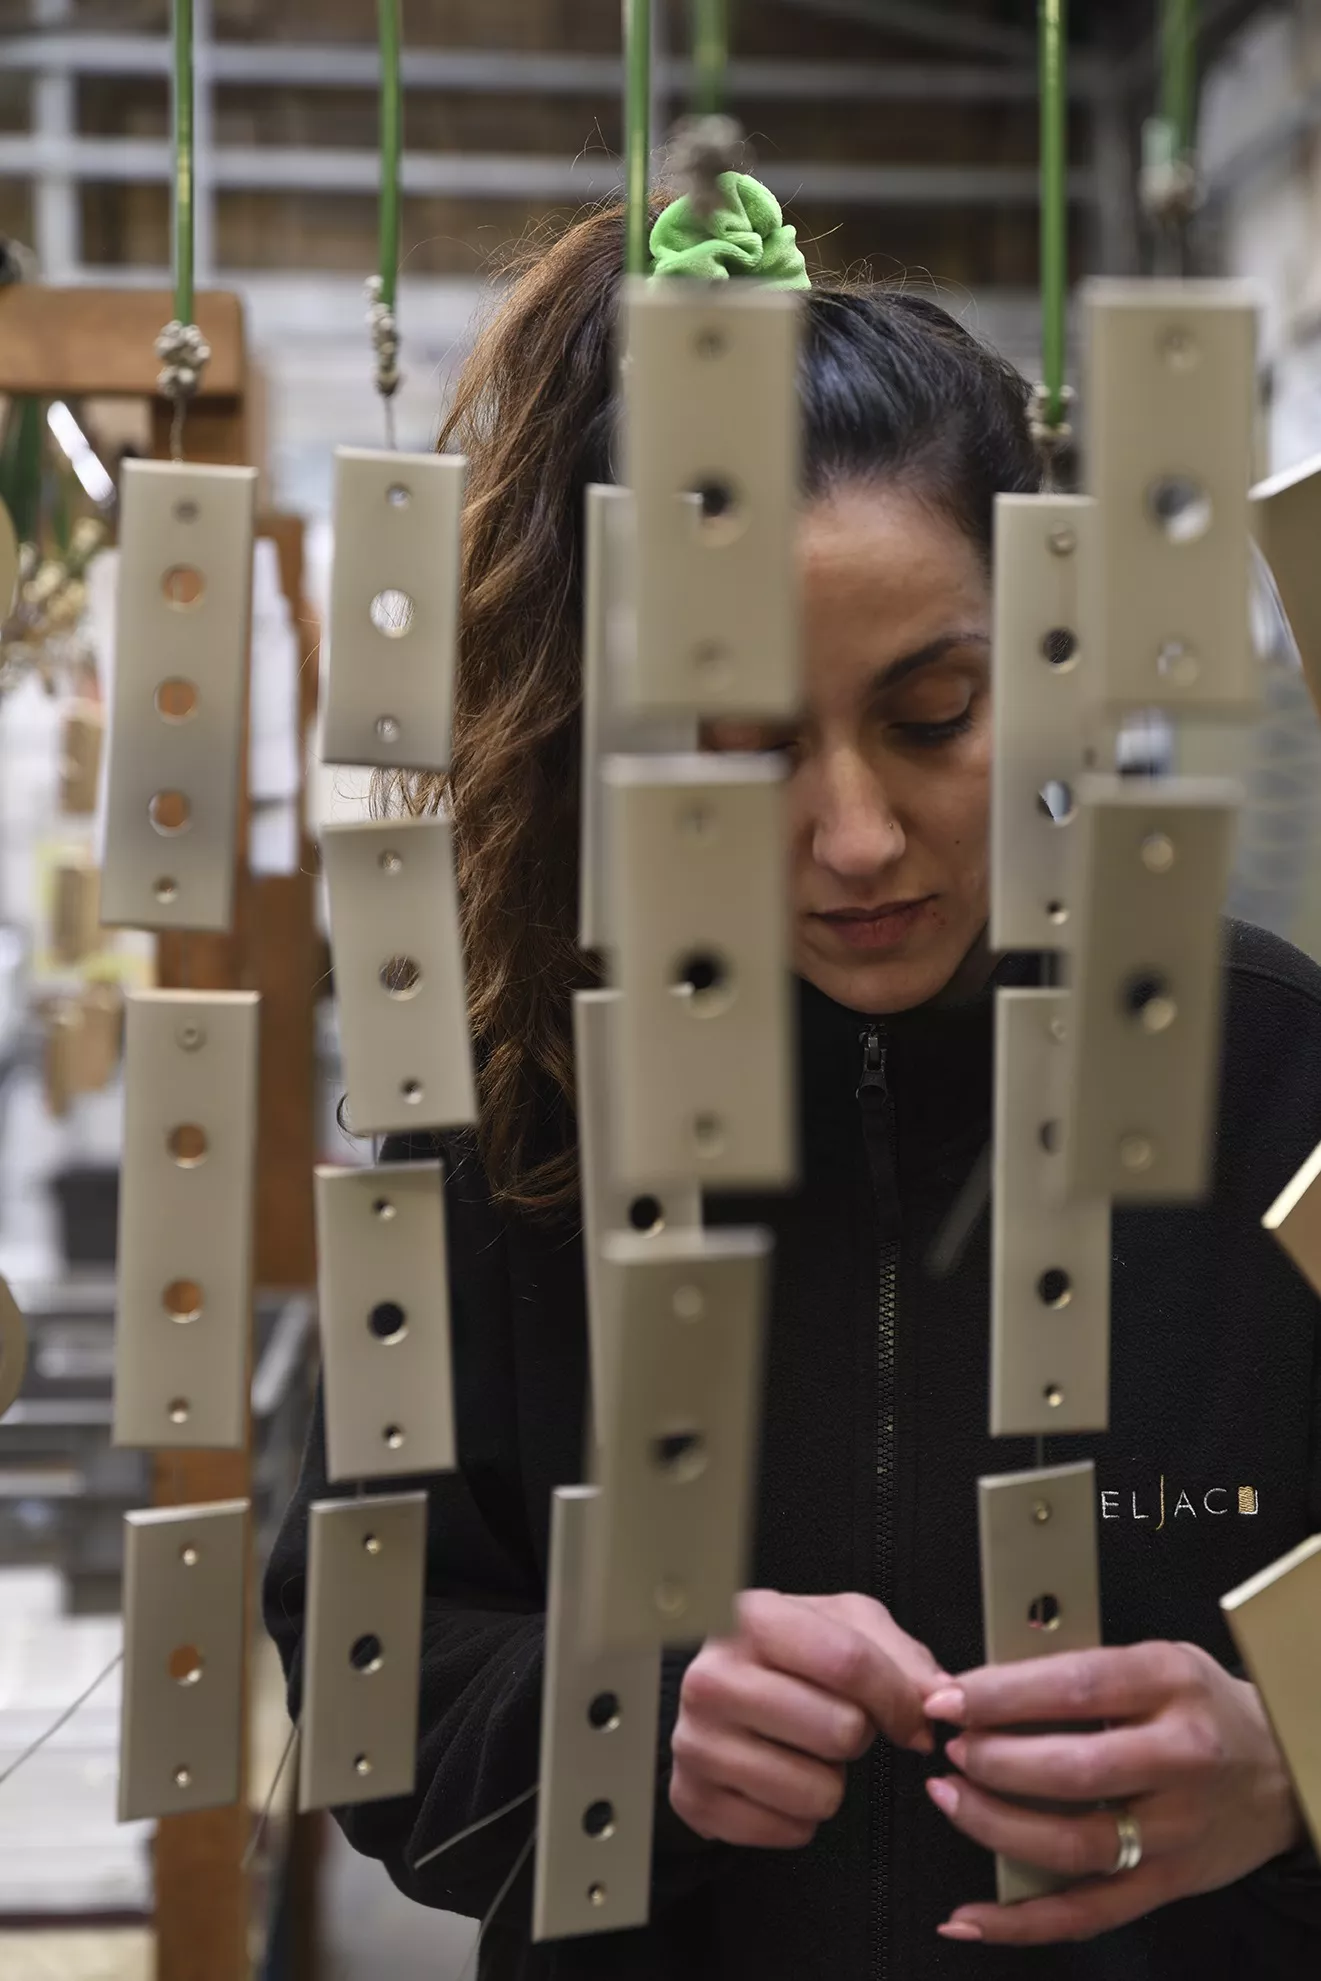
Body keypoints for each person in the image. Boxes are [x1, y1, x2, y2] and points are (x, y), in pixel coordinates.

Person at [264, 177, 1321, 1979]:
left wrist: (1296, 1761)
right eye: (738, 746)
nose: (854, 835)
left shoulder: (1274, 1068)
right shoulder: (515, 1116)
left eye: (933, 718)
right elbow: (378, 1705)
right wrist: (628, 1722)